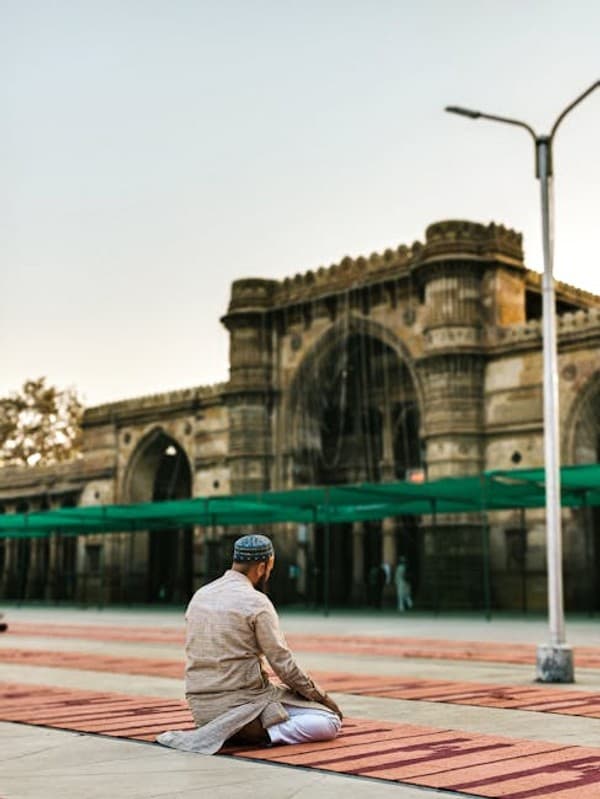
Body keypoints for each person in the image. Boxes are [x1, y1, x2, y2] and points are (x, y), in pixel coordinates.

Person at [157, 533, 342, 754]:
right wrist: (323, 698)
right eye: (270, 568)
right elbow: (284, 666)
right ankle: (263, 734)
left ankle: (227, 729)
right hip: (243, 704)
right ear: (263, 566)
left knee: (286, 696)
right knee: (329, 721)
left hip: (201, 709)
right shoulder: (256, 602)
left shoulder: (200, 595)